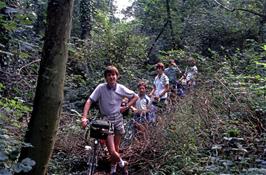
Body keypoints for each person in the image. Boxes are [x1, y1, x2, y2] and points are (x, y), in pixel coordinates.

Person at [81, 65, 138, 175]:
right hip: (106, 121)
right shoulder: (101, 88)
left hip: (118, 119)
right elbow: (89, 101)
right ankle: (122, 163)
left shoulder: (121, 88)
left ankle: (113, 170)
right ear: (106, 77)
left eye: (113, 75)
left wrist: (126, 107)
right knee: (111, 150)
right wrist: (84, 117)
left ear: (117, 76)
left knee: (116, 148)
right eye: (109, 75)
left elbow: (135, 96)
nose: (111, 77)